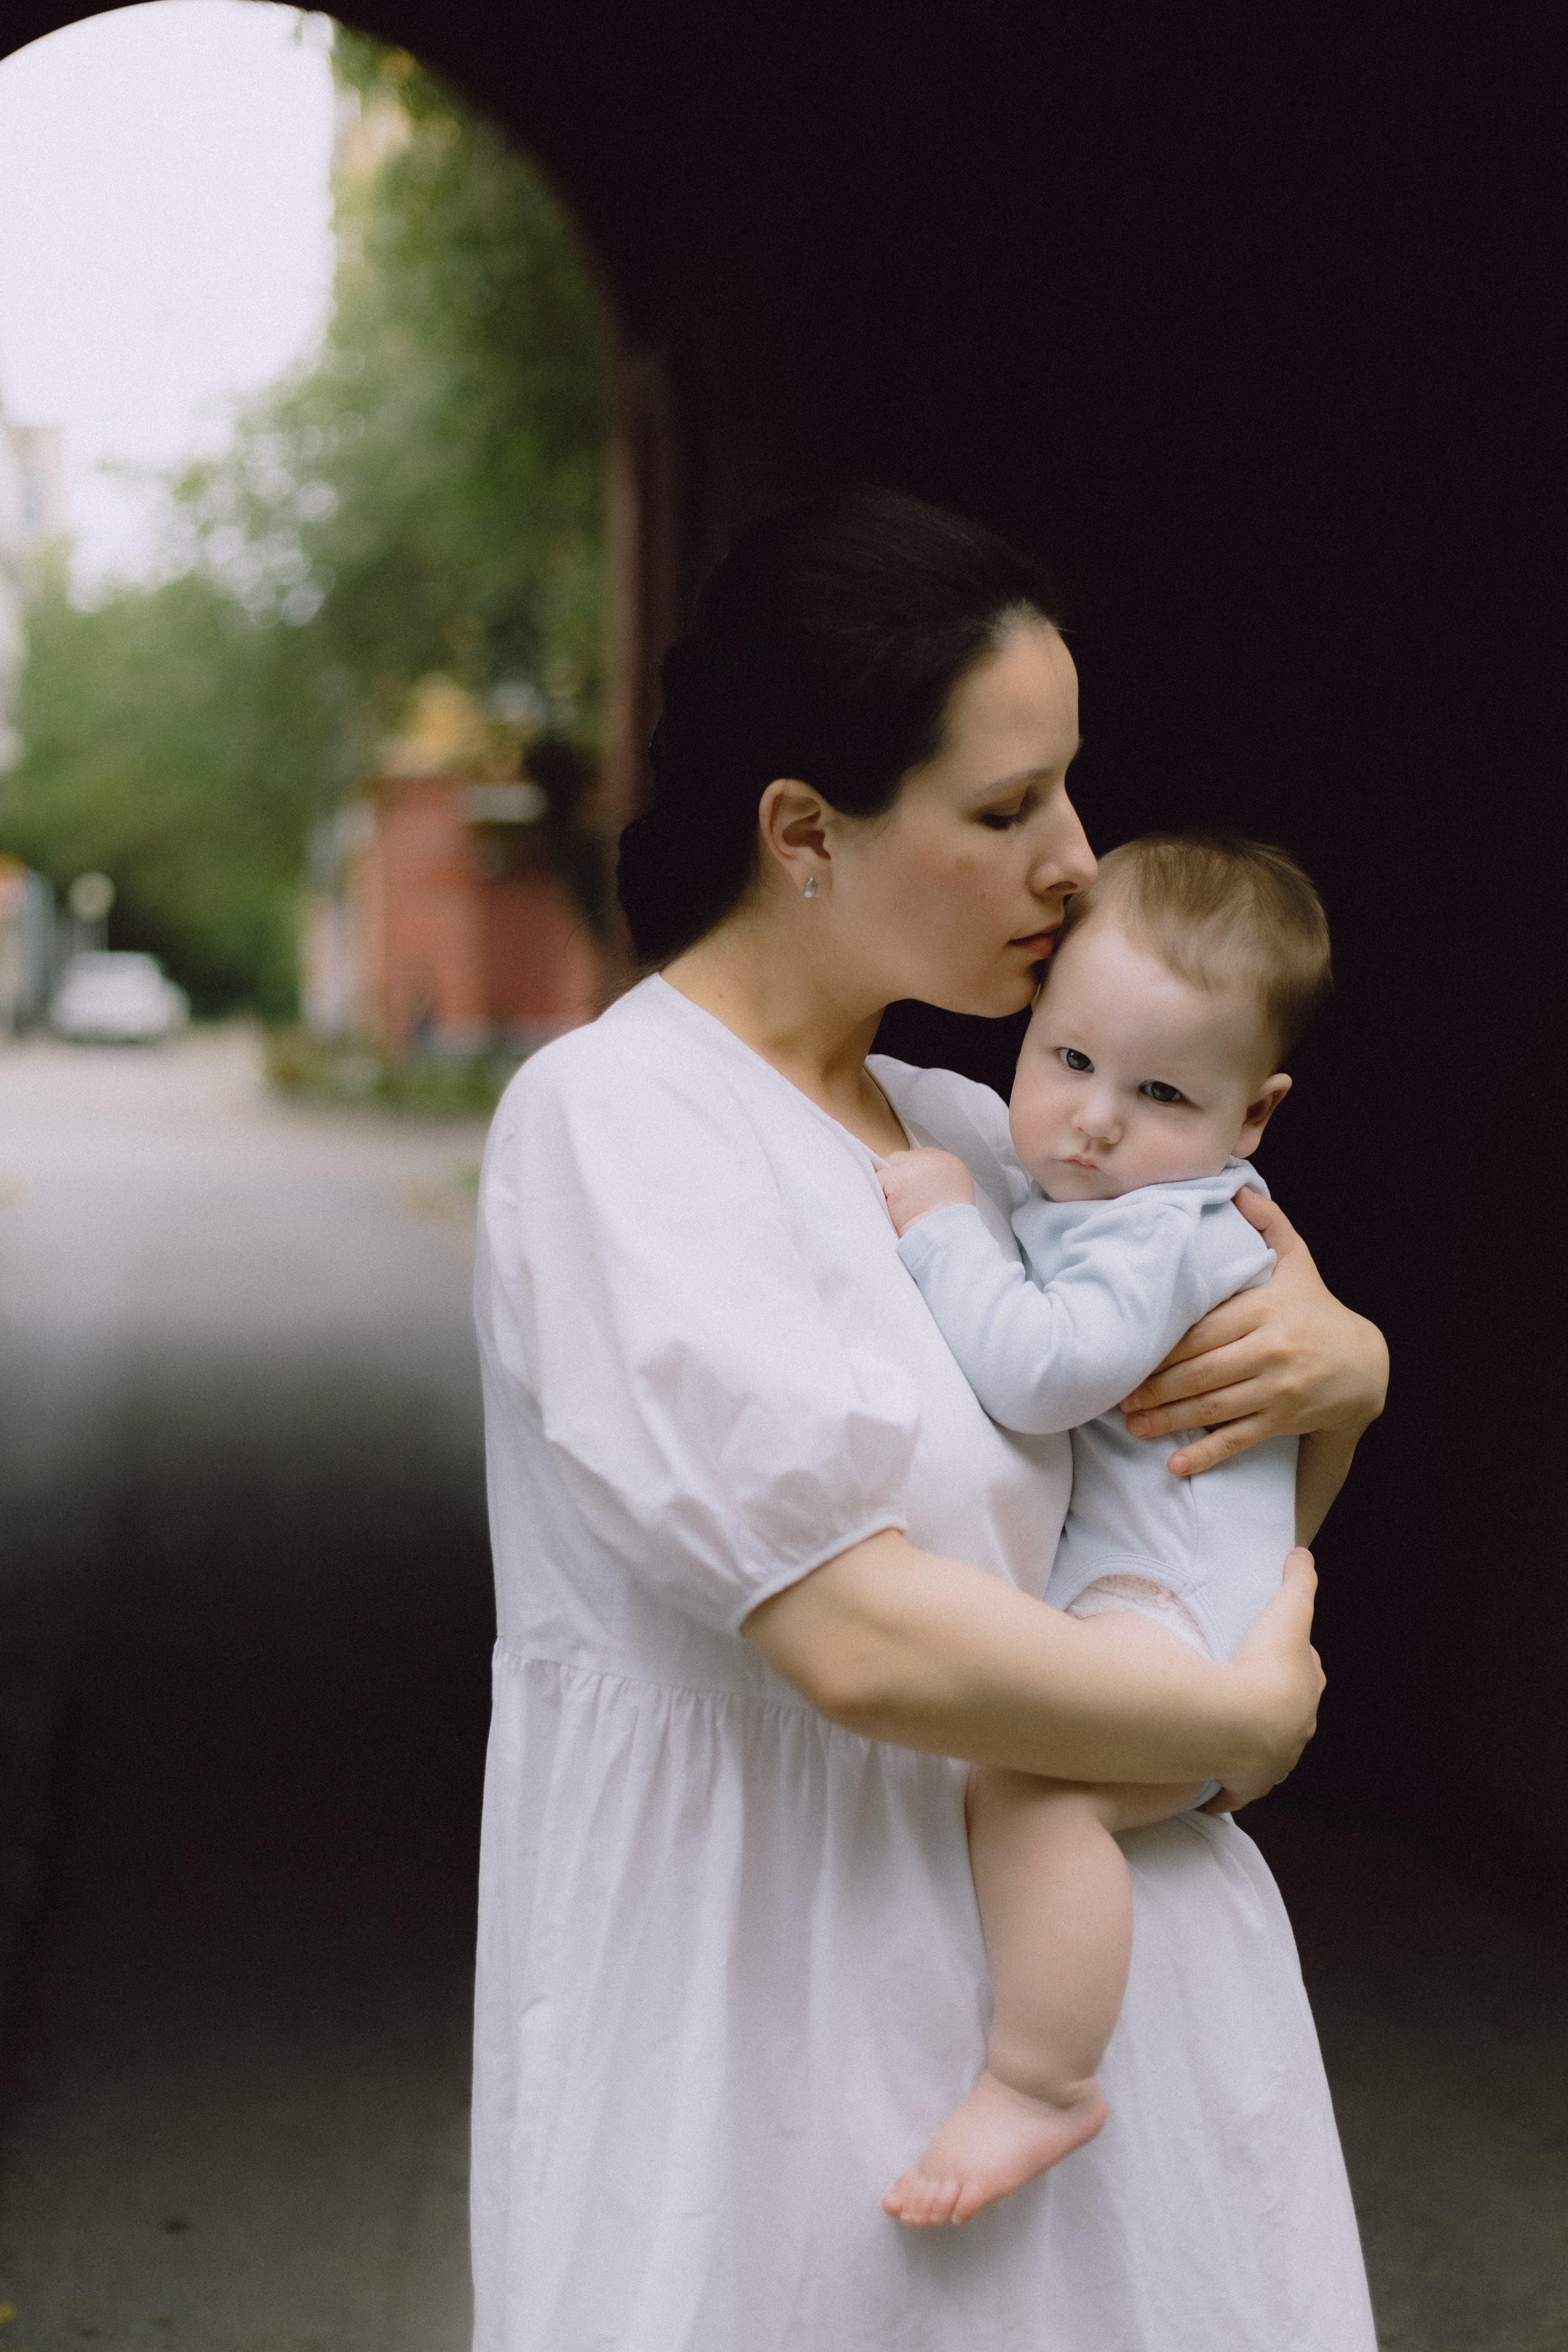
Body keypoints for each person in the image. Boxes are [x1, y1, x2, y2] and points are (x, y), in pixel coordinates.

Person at [469, 489, 1387, 2350]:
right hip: (781, 2031)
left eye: (1070, 787)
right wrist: (1227, 1717)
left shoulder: (988, 1132)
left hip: (1122, 2013)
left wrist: (1349, 1372)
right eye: (1004, 809)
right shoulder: (617, 1126)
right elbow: (862, 1635)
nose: (1077, 859)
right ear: (803, 831)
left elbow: (1217, 1487)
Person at [877, 831, 1339, 2228]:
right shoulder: (1106, 1197)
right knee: (1023, 1778)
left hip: (1167, 1613)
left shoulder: (1163, 1231)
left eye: (1157, 1093)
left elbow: (1041, 1372)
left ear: (1248, 1119)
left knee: (1031, 1789)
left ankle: (1042, 2079)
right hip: (1159, 1601)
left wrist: (945, 1228)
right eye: (1067, 1060)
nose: (1090, 1120)